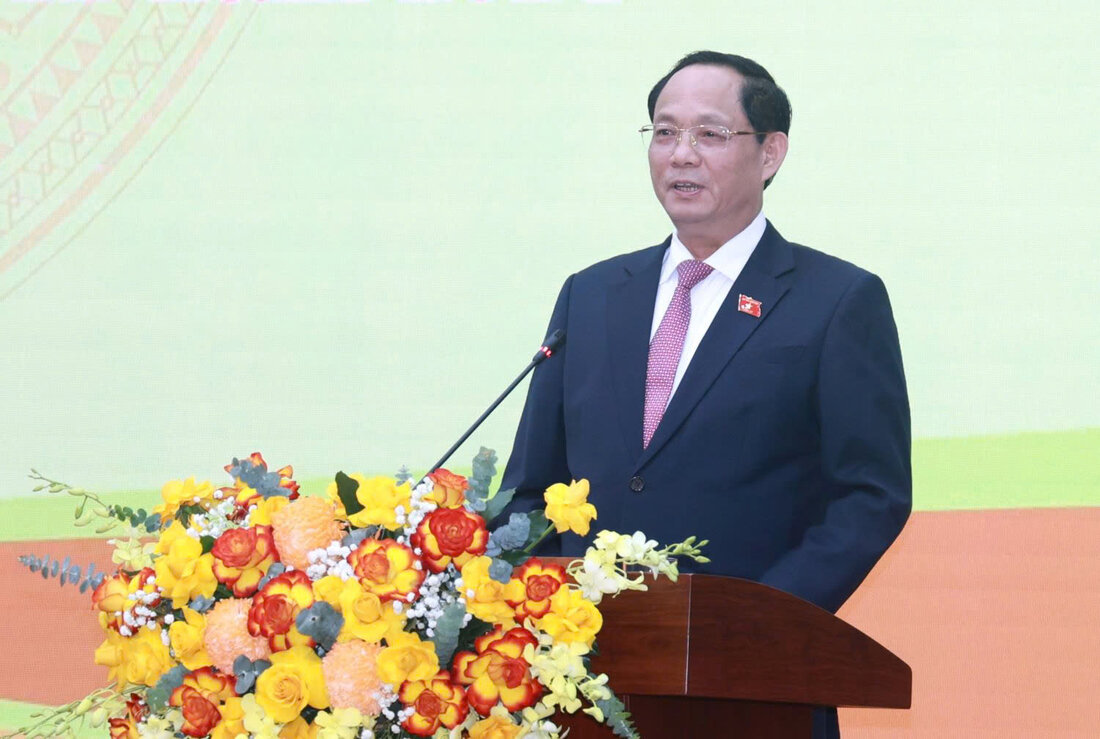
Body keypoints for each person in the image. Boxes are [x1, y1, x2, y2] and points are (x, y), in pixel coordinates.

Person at [501, 51, 911, 738]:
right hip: (580, 687)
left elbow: (870, 495)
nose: (680, 154)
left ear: (770, 152)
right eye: (663, 132)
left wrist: (757, 619)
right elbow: (529, 490)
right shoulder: (592, 293)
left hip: (752, 689)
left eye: (710, 134)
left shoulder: (836, 300)